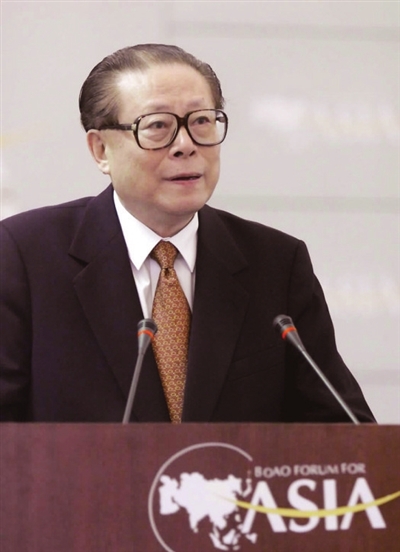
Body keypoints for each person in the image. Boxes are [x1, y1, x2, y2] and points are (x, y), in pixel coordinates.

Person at [0, 44, 375, 423]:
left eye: (201, 122)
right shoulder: (24, 256)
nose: (186, 145)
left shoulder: (276, 263)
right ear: (101, 150)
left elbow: (345, 431)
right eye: (157, 126)